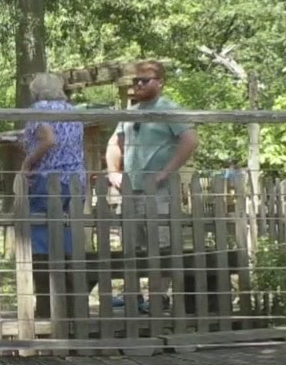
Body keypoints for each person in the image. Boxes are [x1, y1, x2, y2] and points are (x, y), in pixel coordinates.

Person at [105, 60, 199, 313]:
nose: (138, 85)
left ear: (160, 82)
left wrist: (166, 172)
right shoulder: (130, 112)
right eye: (135, 80)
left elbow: (190, 140)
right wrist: (114, 172)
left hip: (159, 190)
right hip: (132, 188)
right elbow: (115, 142)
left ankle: (158, 298)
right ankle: (131, 297)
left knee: (161, 244)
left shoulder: (169, 109)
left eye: (144, 80)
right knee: (132, 244)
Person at [20, 73, 86, 319]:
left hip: (48, 182)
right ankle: (72, 310)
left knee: (42, 243)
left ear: (36, 91)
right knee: (68, 240)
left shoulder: (38, 109)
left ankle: (47, 310)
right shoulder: (73, 111)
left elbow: (48, 139)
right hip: (75, 182)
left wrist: (26, 164)